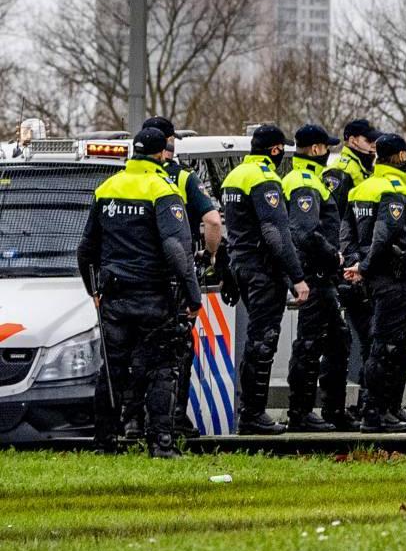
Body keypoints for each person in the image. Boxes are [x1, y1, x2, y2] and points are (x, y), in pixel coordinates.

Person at [75, 127, 202, 458]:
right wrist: (193, 295)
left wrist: (94, 291)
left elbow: (85, 249)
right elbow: (176, 249)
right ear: (162, 154)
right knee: (163, 367)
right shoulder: (162, 188)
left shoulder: (107, 188)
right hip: (154, 298)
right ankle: (161, 443)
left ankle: (103, 443)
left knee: (113, 370)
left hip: (113, 297)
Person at [220, 124, 311, 434]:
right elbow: (275, 235)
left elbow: (229, 230)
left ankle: (250, 411)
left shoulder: (234, 176)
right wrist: (297, 277)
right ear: (274, 150)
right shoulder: (265, 179)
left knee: (255, 340)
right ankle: (253, 414)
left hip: (242, 266)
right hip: (262, 271)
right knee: (263, 341)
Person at [137, 116, 224, 439]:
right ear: (169, 142)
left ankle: (132, 422)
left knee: (137, 351)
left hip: (133, 277)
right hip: (173, 277)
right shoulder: (182, 177)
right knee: (176, 351)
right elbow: (213, 222)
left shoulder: (123, 179)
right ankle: (173, 420)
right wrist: (210, 255)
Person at [345, 134, 406, 434]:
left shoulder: (361, 189)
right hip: (388, 276)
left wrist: (353, 262)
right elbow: (384, 235)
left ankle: (388, 407)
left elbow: (346, 232)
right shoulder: (395, 189)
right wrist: (365, 265)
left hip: (367, 276)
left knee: (402, 344)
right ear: (399, 156)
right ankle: (375, 413)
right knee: (385, 346)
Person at [284, 124, 350, 431]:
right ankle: (301, 412)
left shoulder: (310, 180)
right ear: (314, 149)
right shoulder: (304, 183)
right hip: (315, 274)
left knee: (337, 339)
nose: (330, 153)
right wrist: (332, 255)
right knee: (310, 344)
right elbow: (305, 232)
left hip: (322, 275)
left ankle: (333, 409)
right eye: (327, 148)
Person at [323, 118, 384, 419]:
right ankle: (338, 408)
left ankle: (360, 406)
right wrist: (345, 264)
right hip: (348, 269)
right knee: (344, 339)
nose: (372, 144)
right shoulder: (341, 173)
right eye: (366, 139)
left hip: (361, 266)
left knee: (362, 338)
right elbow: (334, 224)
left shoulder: (365, 171)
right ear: (350, 140)